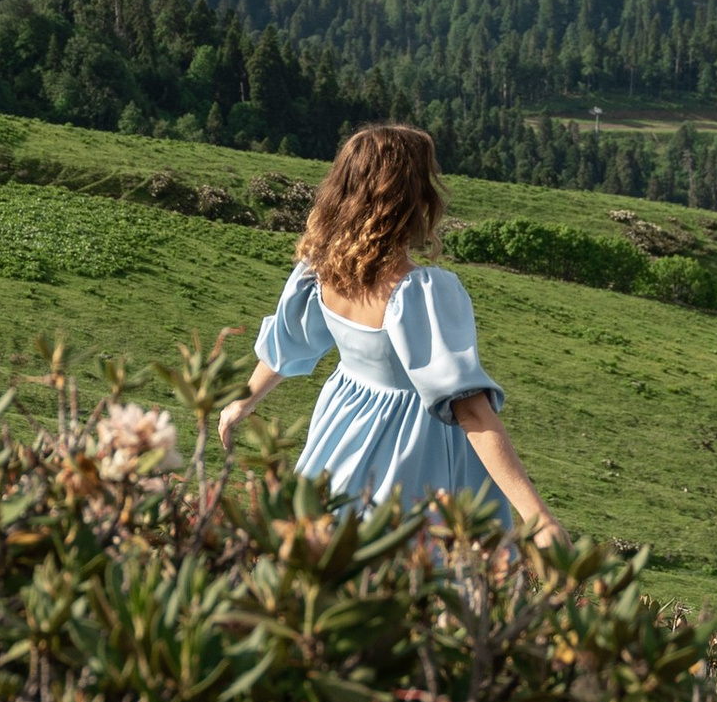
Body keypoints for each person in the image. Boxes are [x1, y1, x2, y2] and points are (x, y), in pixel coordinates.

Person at [215, 121, 562, 542]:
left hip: (343, 425)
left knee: (329, 545)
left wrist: (244, 401)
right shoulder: (420, 292)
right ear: (410, 199)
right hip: (417, 444)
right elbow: (469, 409)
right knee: (415, 566)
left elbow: (291, 343)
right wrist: (537, 517)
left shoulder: (322, 270)